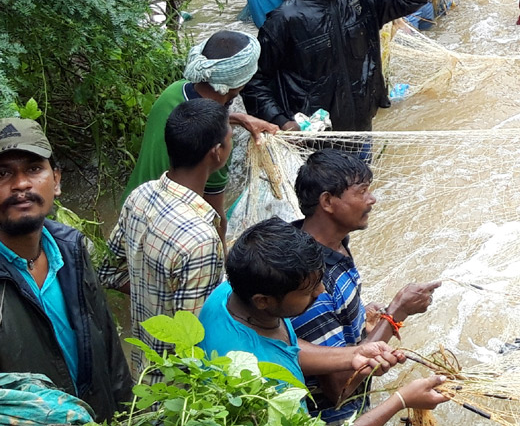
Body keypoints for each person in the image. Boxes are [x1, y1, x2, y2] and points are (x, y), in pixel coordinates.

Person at [197, 218, 448, 426]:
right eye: (308, 290)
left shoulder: (228, 295)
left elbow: (283, 348)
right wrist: (400, 401)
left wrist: (354, 354)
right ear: (264, 300)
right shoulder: (266, 386)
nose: (321, 292)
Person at [292, 151, 442, 422]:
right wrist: (396, 312)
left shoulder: (330, 242)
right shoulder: (310, 281)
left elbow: (337, 325)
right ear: (327, 201)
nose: (372, 200)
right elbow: (341, 388)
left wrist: (361, 317)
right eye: (362, 192)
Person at [0, 118, 133, 420]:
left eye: (34, 169)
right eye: (3, 173)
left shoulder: (71, 249)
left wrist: (128, 414)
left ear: (56, 180)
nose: (21, 184)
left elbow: (110, 347)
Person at [243, 0, 427, 133]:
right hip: (312, 135)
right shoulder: (285, 19)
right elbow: (255, 81)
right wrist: (282, 121)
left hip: (361, 126)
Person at [99, 100, 230, 377]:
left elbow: (108, 272)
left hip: (143, 367)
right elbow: (192, 344)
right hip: (176, 389)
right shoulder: (202, 239)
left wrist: (153, 291)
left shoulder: (140, 195)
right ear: (217, 153)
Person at [124, 31, 275, 232]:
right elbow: (215, 217)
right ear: (240, 82)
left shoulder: (174, 91)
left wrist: (239, 117)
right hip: (168, 229)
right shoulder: (216, 144)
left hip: (132, 210)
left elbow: (194, 113)